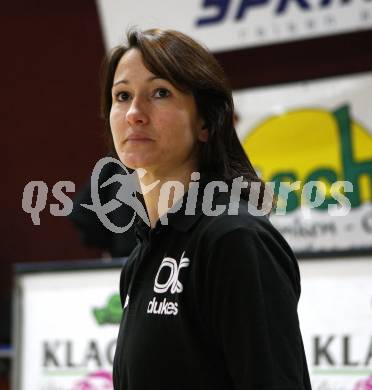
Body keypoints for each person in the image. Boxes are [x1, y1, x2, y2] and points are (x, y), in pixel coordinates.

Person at [101, 28, 312, 390]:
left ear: (205, 122)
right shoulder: (143, 254)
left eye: (160, 93)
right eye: (122, 96)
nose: (134, 113)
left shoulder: (235, 239)